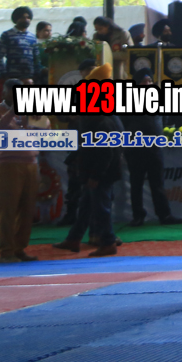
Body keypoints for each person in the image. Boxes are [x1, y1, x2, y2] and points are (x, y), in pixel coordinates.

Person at [54, 64, 124, 257]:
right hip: (96, 168)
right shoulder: (102, 114)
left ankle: (108, 242)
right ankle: (74, 238)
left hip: (99, 171)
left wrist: (95, 175)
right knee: (86, 205)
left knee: (100, 207)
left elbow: (105, 151)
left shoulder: (99, 118)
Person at [0, 78, 47, 263]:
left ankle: (19, 248)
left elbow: (46, 131)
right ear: (4, 93)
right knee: (9, 209)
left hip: (31, 163)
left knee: (28, 209)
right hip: (7, 165)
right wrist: (12, 112)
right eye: (12, 92)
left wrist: (39, 118)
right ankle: (6, 251)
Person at [123, 69, 182, 227]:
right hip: (136, 148)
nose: (148, 84)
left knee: (158, 183)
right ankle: (138, 216)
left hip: (155, 148)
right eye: (144, 81)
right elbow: (123, 124)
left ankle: (164, 215)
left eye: (150, 81)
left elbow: (164, 121)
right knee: (136, 184)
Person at [0, 6, 38, 79]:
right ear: (16, 19)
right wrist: (3, 74)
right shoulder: (7, 35)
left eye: (28, 17)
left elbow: (36, 58)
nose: (26, 20)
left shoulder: (32, 37)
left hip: (29, 78)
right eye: (23, 17)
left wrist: (36, 75)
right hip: (12, 77)